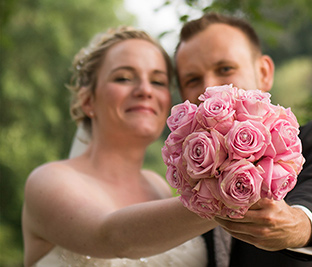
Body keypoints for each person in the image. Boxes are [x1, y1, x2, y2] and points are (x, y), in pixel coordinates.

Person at [174, 13, 312, 266]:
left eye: (225, 69)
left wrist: (298, 224)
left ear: (264, 73)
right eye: (193, 80)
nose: (209, 88)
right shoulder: (192, 189)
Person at [22, 26, 217, 267]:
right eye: (123, 78)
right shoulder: (48, 180)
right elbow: (112, 238)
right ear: (87, 100)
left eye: (157, 82)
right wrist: (226, 199)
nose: (145, 90)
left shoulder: (159, 187)